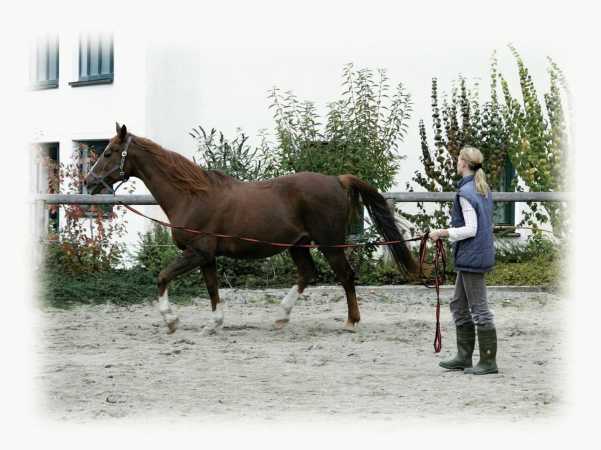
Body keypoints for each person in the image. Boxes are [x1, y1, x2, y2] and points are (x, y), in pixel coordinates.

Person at [428, 146, 498, 375]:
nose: (456, 162)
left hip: (472, 256)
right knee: (458, 305)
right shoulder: (480, 188)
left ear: (464, 164)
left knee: (479, 309)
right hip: (473, 254)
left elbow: (470, 229)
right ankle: (463, 356)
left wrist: (442, 232)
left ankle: (488, 362)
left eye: (458, 159)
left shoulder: (467, 193)